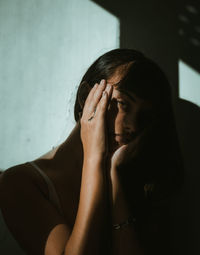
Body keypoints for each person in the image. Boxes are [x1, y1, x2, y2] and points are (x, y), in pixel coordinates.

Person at [0, 49, 183, 255]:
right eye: (123, 103)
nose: (132, 124)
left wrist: (114, 177)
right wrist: (94, 158)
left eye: (144, 115)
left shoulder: (139, 186)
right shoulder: (20, 182)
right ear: (87, 96)